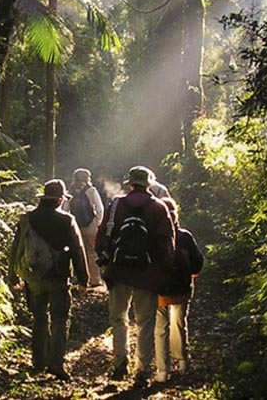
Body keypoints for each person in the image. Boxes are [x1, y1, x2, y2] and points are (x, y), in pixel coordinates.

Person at [95, 166, 175, 388]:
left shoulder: (115, 206)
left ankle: (120, 363)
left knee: (118, 318)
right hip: (147, 274)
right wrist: (166, 271)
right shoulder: (158, 207)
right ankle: (142, 370)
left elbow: (102, 235)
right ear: (149, 184)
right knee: (145, 321)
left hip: (118, 271)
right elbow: (166, 242)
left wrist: (104, 260)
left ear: (130, 183)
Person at [7, 179, 89, 382]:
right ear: (60, 199)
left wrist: (12, 275)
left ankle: (38, 362)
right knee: (60, 319)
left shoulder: (27, 218)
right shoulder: (66, 220)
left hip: (33, 277)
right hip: (58, 277)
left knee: (39, 318)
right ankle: (56, 364)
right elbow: (77, 250)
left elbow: (16, 248)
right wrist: (83, 278)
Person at [153, 197, 205, 383]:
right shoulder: (185, 236)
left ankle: (162, 371)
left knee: (160, 328)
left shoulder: (153, 236)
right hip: (182, 288)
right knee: (179, 323)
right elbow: (198, 263)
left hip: (158, 290)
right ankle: (182, 362)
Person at [63, 168, 105, 287]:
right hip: (91, 223)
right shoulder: (91, 190)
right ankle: (95, 280)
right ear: (88, 178)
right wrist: (98, 222)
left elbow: (65, 209)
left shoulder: (70, 191)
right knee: (92, 251)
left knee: (77, 252)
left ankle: (80, 279)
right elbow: (100, 208)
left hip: (75, 224)